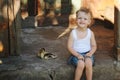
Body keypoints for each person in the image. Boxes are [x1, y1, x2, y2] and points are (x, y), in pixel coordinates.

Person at [67, 7, 97, 80]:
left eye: (85, 19)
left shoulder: (90, 33)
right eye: (80, 18)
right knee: (81, 64)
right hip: (76, 54)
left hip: (87, 53)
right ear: (76, 20)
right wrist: (77, 55)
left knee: (88, 63)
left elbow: (94, 46)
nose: (82, 20)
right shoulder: (73, 33)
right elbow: (69, 47)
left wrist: (90, 53)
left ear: (89, 22)